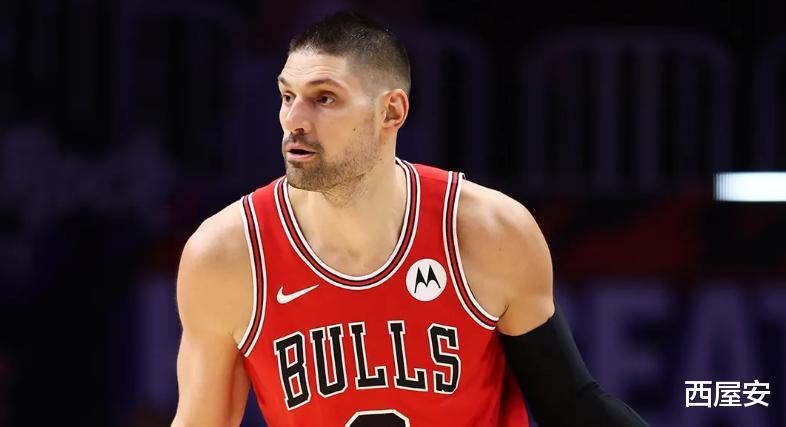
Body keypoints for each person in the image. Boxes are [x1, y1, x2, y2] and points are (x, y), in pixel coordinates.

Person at [172, 11, 649, 427]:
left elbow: (570, 405)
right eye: (287, 95)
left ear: (391, 112)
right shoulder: (227, 254)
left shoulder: (487, 231)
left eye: (325, 98)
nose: (294, 120)